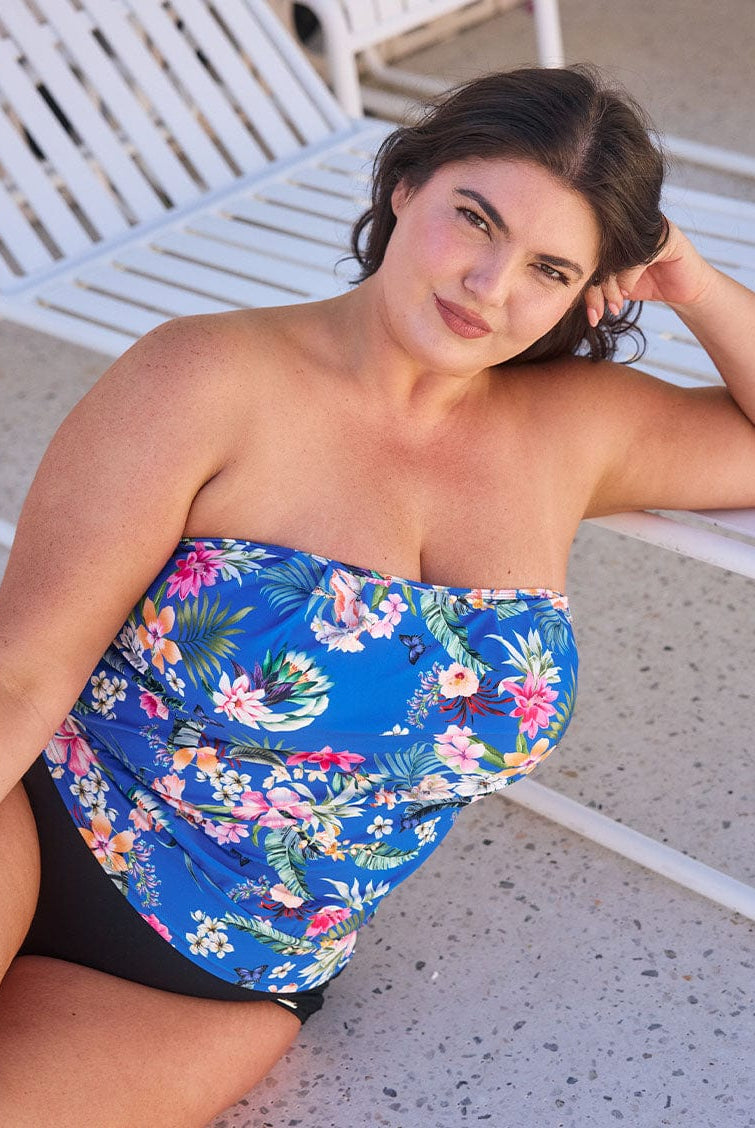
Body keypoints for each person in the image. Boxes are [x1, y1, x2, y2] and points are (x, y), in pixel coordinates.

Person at [1, 65, 754, 1125]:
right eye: (474, 219)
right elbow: (24, 673)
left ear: (588, 292)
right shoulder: (203, 376)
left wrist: (692, 280)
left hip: (237, 969)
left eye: (545, 267)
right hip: (49, 818)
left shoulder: (574, 428)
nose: (489, 286)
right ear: (405, 185)